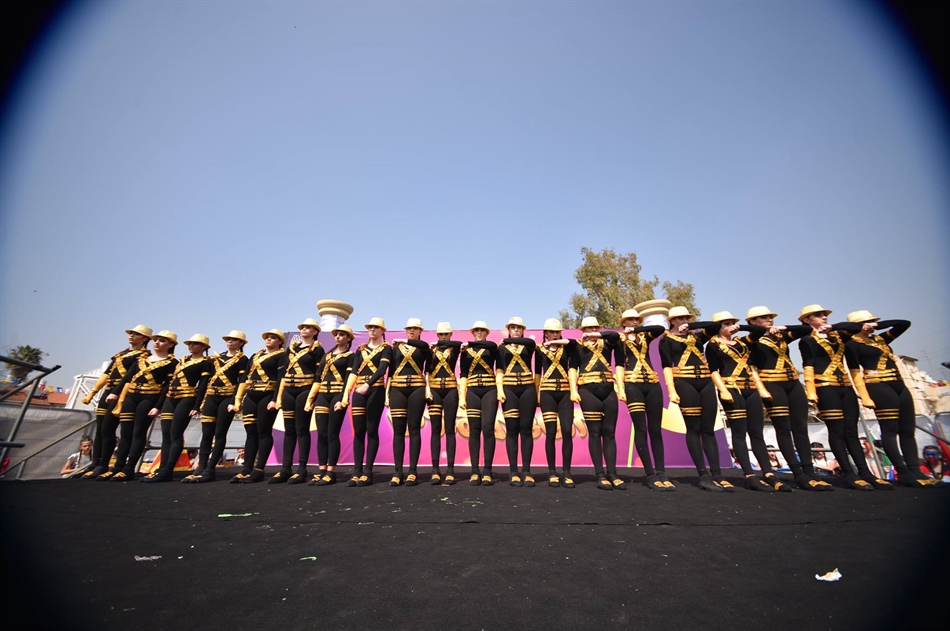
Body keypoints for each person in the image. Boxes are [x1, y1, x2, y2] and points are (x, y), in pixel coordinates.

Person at [798, 304, 892, 491]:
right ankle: (849, 473)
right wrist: (811, 391)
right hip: (826, 386)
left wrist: (832, 327)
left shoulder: (838, 335)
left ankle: (865, 472)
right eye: (818, 315)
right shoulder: (807, 340)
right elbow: (808, 365)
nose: (824, 317)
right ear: (807, 320)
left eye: (824, 314)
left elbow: (856, 327)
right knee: (837, 431)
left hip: (846, 386)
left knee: (851, 431)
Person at [744, 306, 833, 491]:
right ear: (753, 321)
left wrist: (784, 328)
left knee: (801, 428)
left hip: (792, 383)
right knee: (783, 429)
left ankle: (810, 472)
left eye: (770, 317)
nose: (770, 320)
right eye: (764, 317)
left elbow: (805, 330)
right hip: (772, 384)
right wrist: (761, 389)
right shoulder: (750, 340)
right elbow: (751, 366)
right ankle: (798, 474)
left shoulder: (780, 336)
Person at [845, 310, 934, 488]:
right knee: (890, 430)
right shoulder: (852, 344)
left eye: (872, 321)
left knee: (907, 429)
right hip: (878, 386)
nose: (871, 324)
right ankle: (902, 471)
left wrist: (878, 325)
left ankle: (914, 470)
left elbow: (904, 323)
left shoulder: (880, 339)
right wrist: (865, 396)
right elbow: (854, 372)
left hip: (899, 384)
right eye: (867, 322)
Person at [705, 311, 791, 492]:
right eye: (726, 324)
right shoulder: (713, 345)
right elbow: (713, 370)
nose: (730, 326)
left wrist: (741, 327)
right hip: (731, 388)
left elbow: (758, 331)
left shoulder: (743, 342)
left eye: (732, 323)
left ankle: (768, 473)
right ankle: (749, 475)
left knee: (757, 432)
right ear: (718, 327)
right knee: (739, 433)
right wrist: (722, 390)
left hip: (751, 388)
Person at [660, 307, 731, 492]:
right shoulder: (666, 340)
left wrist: (690, 326)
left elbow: (715, 326)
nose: (684, 320)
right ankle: (703, 475)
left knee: (708, 429)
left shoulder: (697, 336)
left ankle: (717, 474)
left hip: (705, 381)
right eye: (680, 318)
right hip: (684, 382)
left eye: (686, 318)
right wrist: (671, 390)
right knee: (694, 428)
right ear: (672, 320)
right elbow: (666, 366)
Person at [99, 330, 180, 481]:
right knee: (125, 433)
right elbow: (128, 377)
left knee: (138, 432)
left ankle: (129, 468)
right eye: (156, 340)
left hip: (149, 397)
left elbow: (167, 386)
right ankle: (117, 467)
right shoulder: (142, 359)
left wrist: (158, 406)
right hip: (131, 396)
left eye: (162, 340)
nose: (157, 343)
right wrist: (115, 393)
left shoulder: (173, 363)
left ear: (170, 345)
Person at [80, 325, 152, 479]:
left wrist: (119, 396)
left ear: (145, 338)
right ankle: (96, 463)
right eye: (131, 333)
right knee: (101, 429)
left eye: (136, 334)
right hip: (108, 390)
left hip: (123, 392)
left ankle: (107, 464)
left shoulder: (144, 356)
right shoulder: (120, 354)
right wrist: (92, 392)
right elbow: (106, 374)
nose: (131, 336)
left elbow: (130, 378)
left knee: (111, 428)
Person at [142, 334, 212, 483]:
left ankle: (168, 469)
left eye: (195, 343)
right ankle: (162, 469)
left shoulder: (206, 362)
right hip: (170, 397)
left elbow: (203, 384)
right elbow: (170, 381)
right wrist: (159, 404)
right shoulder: (182, 360)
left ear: (203, 347)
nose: (191, 346)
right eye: (190, 343)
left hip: (187, 397)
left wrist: (197, 405)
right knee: (166, 435)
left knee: (176, 434)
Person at [615, 308, 671, 491]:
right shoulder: (619, 340)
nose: (634, 322)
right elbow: (619, 365)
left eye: (636, 319)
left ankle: (662, 472)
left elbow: (659, 329)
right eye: (630, 320)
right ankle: (650, 474)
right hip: (633, 385)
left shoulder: (645, 336)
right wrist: (621, 389)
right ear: (623, 322)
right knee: (641, 429)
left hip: (652, 384)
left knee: (656, 430)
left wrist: (638, 330)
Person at [185, 331, 249, 483]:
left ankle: (210, 468)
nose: (230, 341)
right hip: (211, 397)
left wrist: (234, 401)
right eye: (228, 339)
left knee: (220, 434)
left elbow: (241, 381)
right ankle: (201, 467)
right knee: (206, 434)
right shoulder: (216, 358)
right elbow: (206, 381)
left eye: (234, 340)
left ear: (241, 343)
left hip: (227, 397)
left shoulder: (242, 359)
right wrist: (200, 402)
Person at [271, 318, 325, 484]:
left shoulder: (317, 349)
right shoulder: (291, 348)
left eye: (308, 328)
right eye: (303, 327)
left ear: (315, 332)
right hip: (288, 389)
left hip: (305, 389)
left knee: (302, 429)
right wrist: (278, 397)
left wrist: (313, 397)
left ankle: (301, 468)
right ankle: (285, 468)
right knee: (289, 430)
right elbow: (282, 373)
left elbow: (318, 374)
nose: (304, 330)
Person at [231, 330, 288, 484]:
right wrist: (238, 399)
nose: (269, 339)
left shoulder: (282, 356)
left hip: (267, 395)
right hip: (251, 395)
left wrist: (276, 399)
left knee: (263, 432)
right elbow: (244, 378)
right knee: (250, 432)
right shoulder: (255, 356)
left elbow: (281, 378)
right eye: (267, 337)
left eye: (273, 338)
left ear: (280, 342)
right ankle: (246, 469)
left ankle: (259, 469)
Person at [340, 317, 392, 487]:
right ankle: (357, 471)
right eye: (370, 327)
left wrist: (367, 385)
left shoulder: (386, 349)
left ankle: (368, 472)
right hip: (359, 392)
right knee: (359, 431)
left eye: (376, 327)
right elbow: (354, 372)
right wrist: (346, 394)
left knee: (371, 430)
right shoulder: (360, 349)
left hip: (375, 390)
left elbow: (382, 370)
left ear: (382, 331)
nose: (372, 330)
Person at [576, 316, 624, 490]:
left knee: (609, 432)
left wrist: (597, 335)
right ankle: (600, 474)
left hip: (608, 389)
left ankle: (613, 473)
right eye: (589, 328)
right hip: (587, 391)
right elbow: (572, 368)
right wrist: (573, 390)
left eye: (595, 328)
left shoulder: (608, 343)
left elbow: (615, 336)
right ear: (583, 330)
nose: (593, 331)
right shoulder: (577, 345)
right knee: (595, 433)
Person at [305, 324, 355, 486]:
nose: (338, 337)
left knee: (332, 433)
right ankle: (322, 470)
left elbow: (348, 379)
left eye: (342, 334)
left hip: (337, 394)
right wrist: (311, 398)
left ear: (349, 338)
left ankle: (331, 472)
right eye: (336, 334)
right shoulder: (327, 355)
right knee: (322, 434)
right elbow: (318, 377)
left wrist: (343, 399)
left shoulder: (351, 356)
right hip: (322, 395)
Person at [535, 318, 580, 488]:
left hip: (565, 393)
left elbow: (574, 342)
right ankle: (552, 472)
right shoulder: (539, 349)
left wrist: (556, 342)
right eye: (551, 332)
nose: (554, 334)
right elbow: (537, 373)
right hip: (547, 393)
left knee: (567, 431)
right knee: (551, 432)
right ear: (545, 333)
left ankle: (567, 472)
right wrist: (537, 394)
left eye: (557, 331)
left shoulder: (566, 347)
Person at [387, 318, 432, 486]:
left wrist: (405, 341)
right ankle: (398, 471)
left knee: (414, 429)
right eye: (409, 328)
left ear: (420, 331)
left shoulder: (423, 347)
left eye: (415, 328)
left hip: (417, 389)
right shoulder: (396, 348)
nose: (411, 331)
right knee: (398, 430)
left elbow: (426, 353)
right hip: (397, 389)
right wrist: (387, 393)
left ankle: (413, 471)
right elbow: (391, 372)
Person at [498, 317, 538, 487]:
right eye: (513, 327)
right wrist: (500, 389)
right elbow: (499, 369)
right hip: (509, 388)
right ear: (508, 329)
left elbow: (530, 342)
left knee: (526, 429)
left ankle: (527, 471)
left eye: (518, 328)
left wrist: (507, 340)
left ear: (523, 330)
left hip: (527, 388)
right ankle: (513, 471)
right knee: (512, 430)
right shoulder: (501, 348)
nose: (515, 330)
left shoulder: (528, 345)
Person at [459, 321, 500, 486]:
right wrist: (462, 396)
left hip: (490, 390)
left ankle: (488, 470)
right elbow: (463, 374)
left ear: (487, 333)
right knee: (474, 430)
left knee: (488, 429)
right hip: (473, 391)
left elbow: (494, 348)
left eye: (482, 330)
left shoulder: (492, 348)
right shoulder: (465, 352)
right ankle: (475, 470)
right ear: (473, 332)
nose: (479, 333)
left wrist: (470, 344)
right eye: (476, 330)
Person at [427, 322, 462, 485]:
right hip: (434, 390)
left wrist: (441, 343)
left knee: (449, 429)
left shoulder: (454, 348)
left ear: (450, 334)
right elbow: (426, 370)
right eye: (440, 334)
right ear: (437, 334)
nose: (443, 336)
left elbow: (459, 343)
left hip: (450, 390)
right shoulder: (430, 349)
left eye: (445, 334)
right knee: (435, 429)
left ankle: (450, 470)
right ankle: (435, 470)